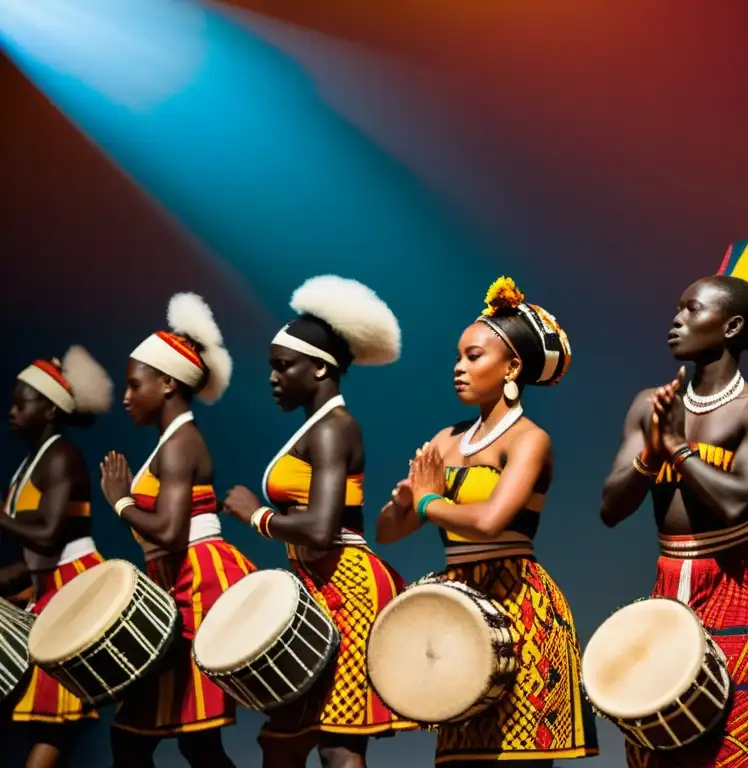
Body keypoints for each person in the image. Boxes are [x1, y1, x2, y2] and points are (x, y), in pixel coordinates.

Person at [599, 238, 748, 767]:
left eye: (691, 309)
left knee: (733, 748)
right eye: (677, 308)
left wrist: (675, 445)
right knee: (662, 740)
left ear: (731, 328)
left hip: (743, 579)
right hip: (670, 582)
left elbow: (737, 504)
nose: (675, 319)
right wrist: (651, 455)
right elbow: (611, 508)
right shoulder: (649, 405)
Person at [376, 276, 600, 766]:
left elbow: (492, 520)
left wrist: (426, 502)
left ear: (512, 367)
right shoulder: (444, 440)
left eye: (473, 357)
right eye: (457, 357)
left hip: (521, 611)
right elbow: (387, 533)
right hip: (459, 613)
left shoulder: (528, 441)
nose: (458, 368)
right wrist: (402, 503)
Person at [222, 275, 415, 768]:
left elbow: (321, 529)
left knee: (338, 743)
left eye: (283, 366)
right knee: (281, 741)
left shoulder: (334, 428)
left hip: (348, 589)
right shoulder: (319, 426)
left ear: (321, 369)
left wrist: (257, 515)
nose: (273, 377)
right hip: (317, 587)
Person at [99, 292, 255, 768]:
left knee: (154, 739)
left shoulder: (180, 444)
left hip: (196, 584)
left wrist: (120, 500)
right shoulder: (173, 442)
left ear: (167, 382)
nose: (125, 397)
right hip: (180, 581)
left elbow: (168, 533)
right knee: (187, 741)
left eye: (134, 384)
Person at [2, 346, 112, 768]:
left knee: (52, 722)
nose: (12, 411)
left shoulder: (62, 456)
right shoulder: (34, 462)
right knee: (48, 725)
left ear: (48, 409)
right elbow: (37, 554)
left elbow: (49, 537)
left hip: (73, 587)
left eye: (21, 403)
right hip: (51, 586)